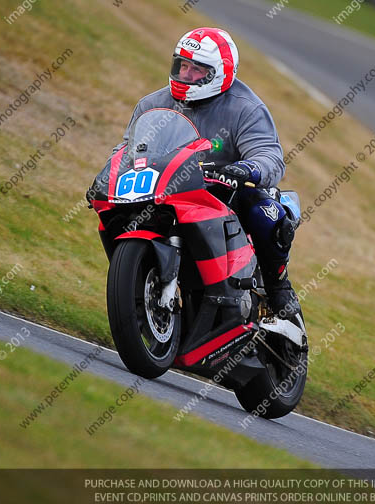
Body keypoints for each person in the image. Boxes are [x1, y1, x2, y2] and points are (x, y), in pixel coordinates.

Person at [107, 27, 301, 318]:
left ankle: (278, 288)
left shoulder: (246, 108)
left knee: (266, 213)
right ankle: (139, 281)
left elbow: (269, 156)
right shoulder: (152, 104)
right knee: (115, 212)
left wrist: (247, 168)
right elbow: (126, 150)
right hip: (167, 189)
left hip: (226, 193)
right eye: (182, 66)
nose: (186, 75)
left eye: (197, 70)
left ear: (219, 74)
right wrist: (108, 177)